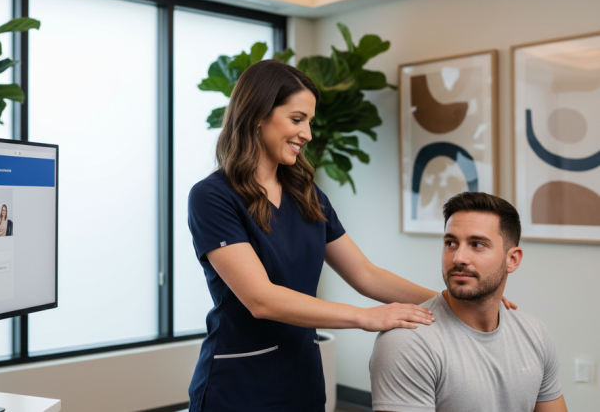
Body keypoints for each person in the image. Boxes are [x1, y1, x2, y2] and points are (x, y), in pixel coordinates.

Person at [186, 60, 520, 411]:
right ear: (257, 115)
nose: (307, 134)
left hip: (302, 378)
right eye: (297, 119)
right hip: (238, 384)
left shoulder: (306, 194)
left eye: (309, 122)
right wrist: (366, 317)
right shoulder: (213, 196)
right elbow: (261, 299)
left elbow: (365, 274)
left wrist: (452, 303)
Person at [369, 192, 566, 412]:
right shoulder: (407, 342)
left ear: (512, 259)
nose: (458, 258)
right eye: (451, 243)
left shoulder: (534, 333)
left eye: (477, 244)